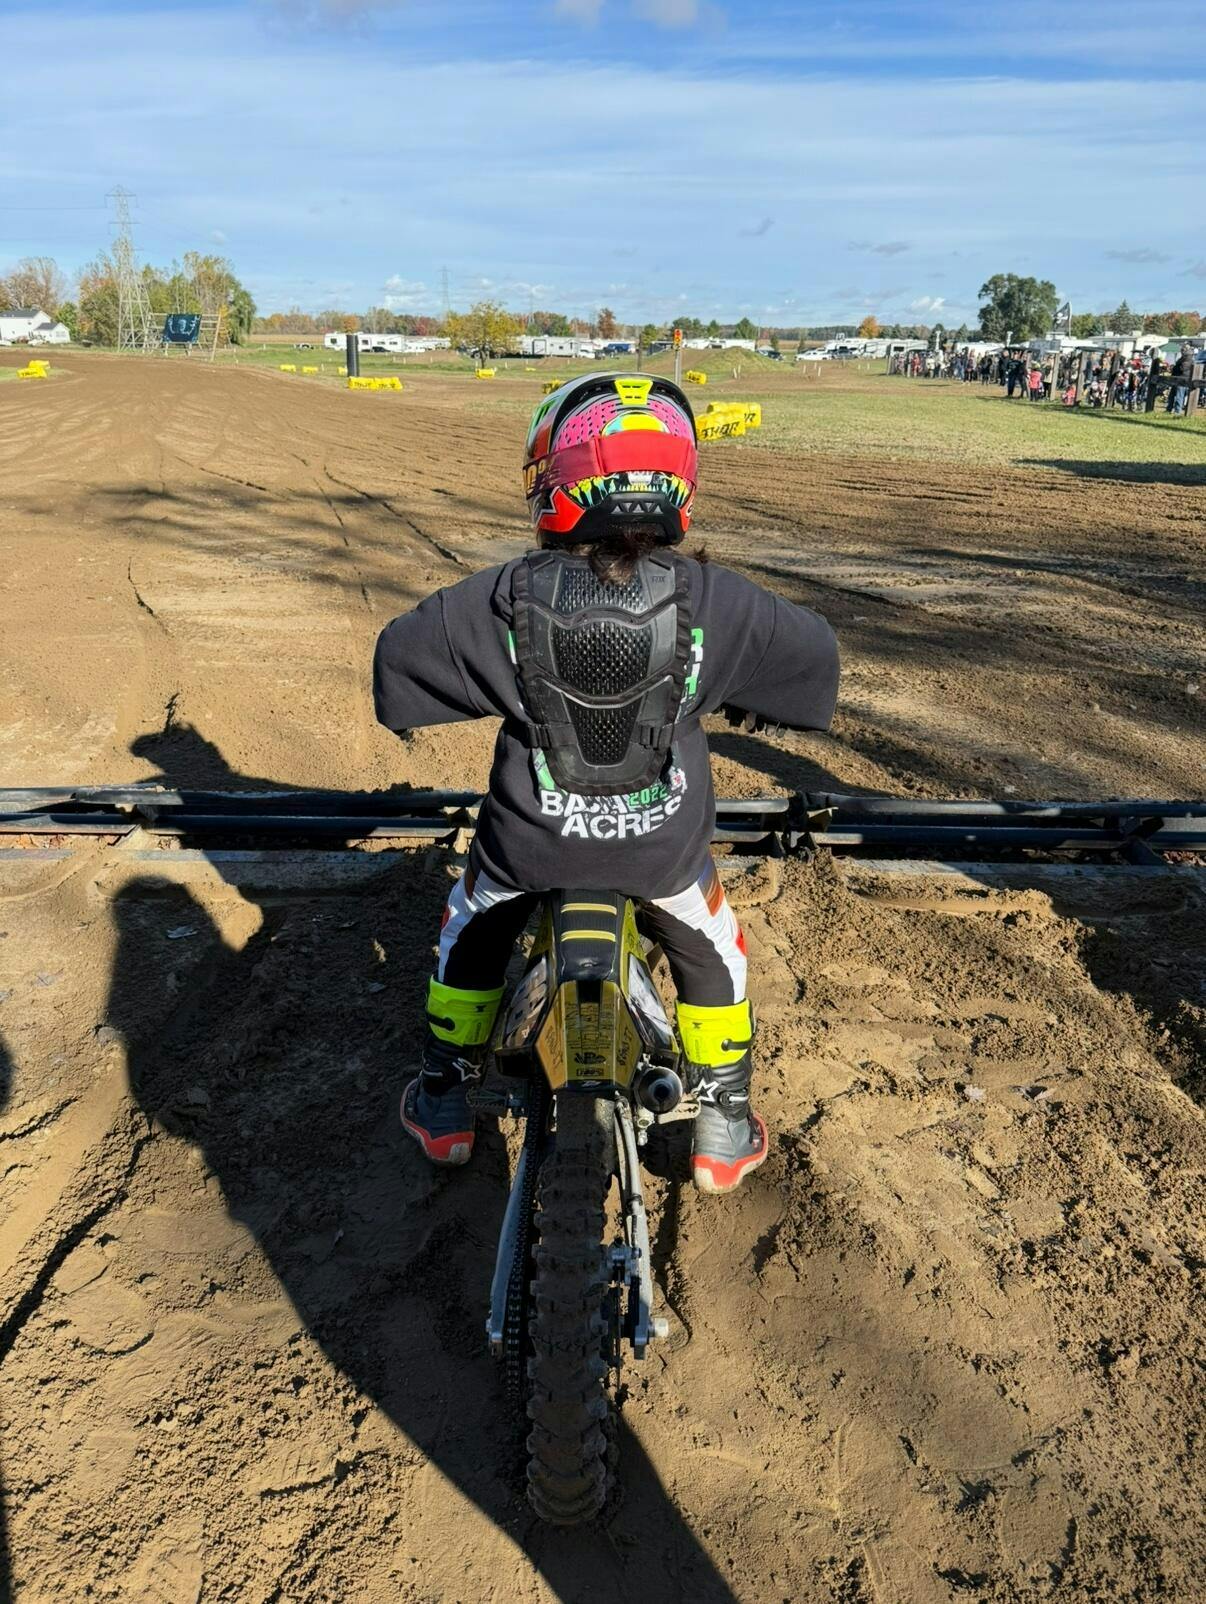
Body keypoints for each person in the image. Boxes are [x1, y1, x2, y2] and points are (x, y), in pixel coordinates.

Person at [373, 374, 840, 1194]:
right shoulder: (717, 603)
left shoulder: (502, 598)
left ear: (557, 482)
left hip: (528, 850)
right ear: (676, 484)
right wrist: (740, 696)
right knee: (714, 949)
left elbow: (397, 667)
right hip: (660, 857)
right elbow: (815, 665)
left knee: (469, 929)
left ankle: (445, 1097)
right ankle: (723, 1120)